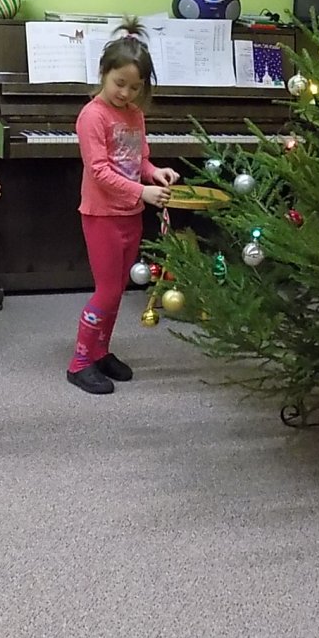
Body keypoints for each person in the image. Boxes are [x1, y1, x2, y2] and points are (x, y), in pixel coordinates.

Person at [65, 21, 179, 395]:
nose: (126, 93)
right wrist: (142, 191)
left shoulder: (134, 114)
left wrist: (155, 172)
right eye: (119, 84)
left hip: (130, 213)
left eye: (135, 87)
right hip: (102, 215)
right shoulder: (92, 115)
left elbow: (139, 159)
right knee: (107, 290)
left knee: (118, 289)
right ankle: (79, 362)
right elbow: (99, 171)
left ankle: (100, 352)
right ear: (103, 72)